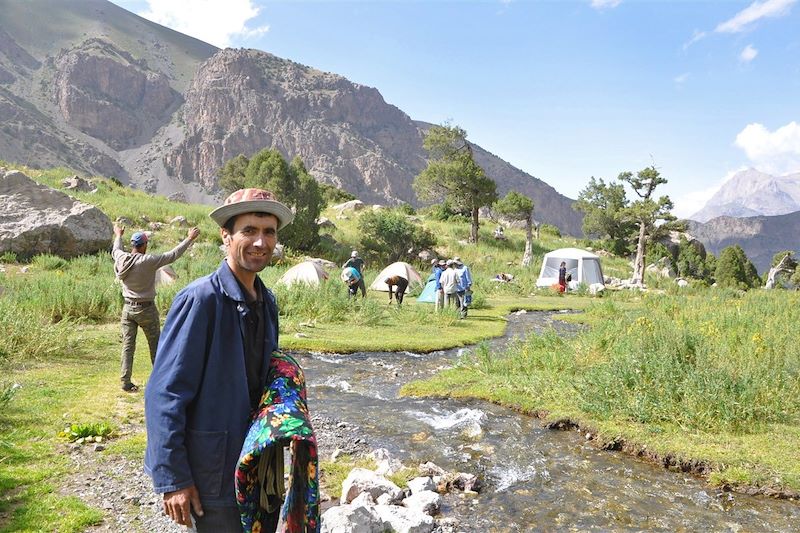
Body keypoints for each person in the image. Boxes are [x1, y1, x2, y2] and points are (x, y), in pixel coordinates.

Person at [144, 188, 294, 532]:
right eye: (249, 231)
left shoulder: (266, 300)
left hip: (259, 465)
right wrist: (174, 479)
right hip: (213, 473)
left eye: (269, 232)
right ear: (226, 236)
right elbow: (164, 393)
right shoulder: (201, 300)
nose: (260, 242)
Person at [112, 223, 199, 392]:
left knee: (128, 346)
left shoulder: (121, 258)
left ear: (132, 245)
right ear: (144, 245)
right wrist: (189, 238)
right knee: (156, 345)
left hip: (127, 309)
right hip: (146, 309)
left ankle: (125, 381)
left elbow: (116, 248)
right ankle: (160, 381)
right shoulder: (149, 261)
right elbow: (173, 255)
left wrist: (118, 235)